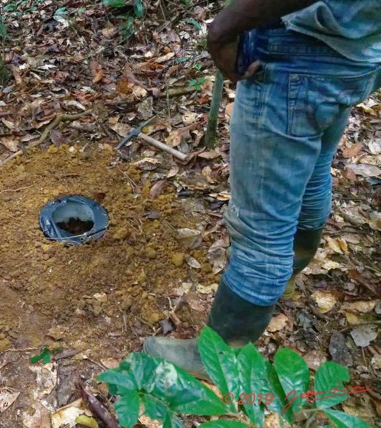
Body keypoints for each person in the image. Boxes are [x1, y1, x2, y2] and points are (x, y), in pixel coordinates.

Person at [144, 0, 381, 378]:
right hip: (356, 52)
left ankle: (218, 356)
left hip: (296, 59)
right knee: (313, 171)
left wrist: (222, 29)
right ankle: (285, 271)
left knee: (261, 229)